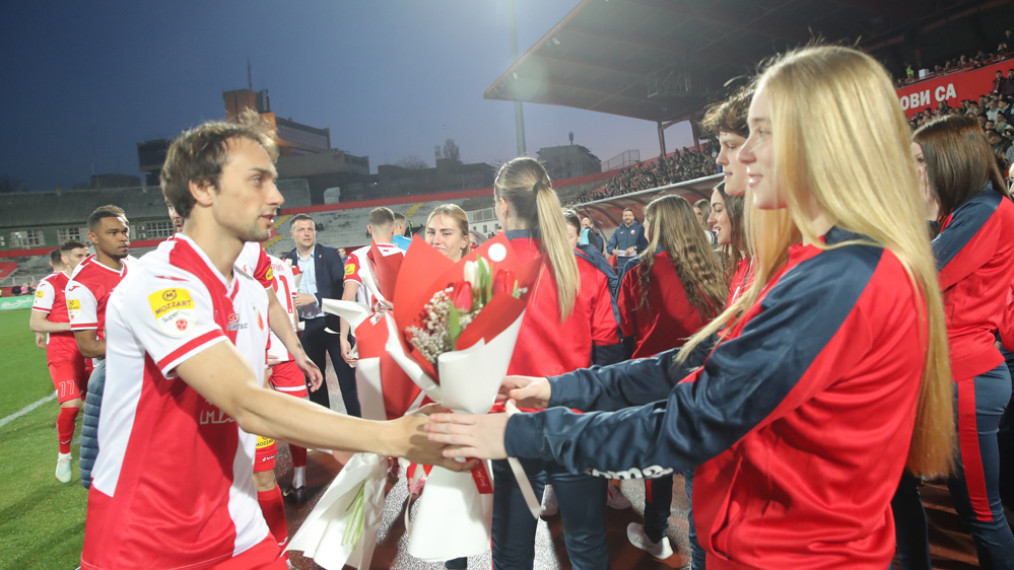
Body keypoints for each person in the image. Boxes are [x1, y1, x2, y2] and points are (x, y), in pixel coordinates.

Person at [427, 45, 956, 569]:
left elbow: (688, 424)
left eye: (762, 133)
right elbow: (692, 362)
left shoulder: (839, 278)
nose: (741, 155)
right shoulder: (827, 265)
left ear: (823, 141)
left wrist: (518, 433)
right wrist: (557, 388)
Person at [81, 115, 464, 569]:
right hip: (145, 540)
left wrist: (299, 355)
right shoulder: (159, 283)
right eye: (257, 180)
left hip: (237, 526)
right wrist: (390, 436)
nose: (277, 197)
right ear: (202, 188)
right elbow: (246, 402)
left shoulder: (248, 291)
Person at [486, 157, 622, 570]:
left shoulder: (479, 267)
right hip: (575, 424)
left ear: (503, 205)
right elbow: (609, 355)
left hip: (509, 426)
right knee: (587, 547)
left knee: (511, 552)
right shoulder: (586, 267)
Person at [895, 115, 1014, 570]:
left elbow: (915, 278)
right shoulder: (970, 211)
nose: (914, 171)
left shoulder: (985, 211)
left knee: (981, 514)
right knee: (904, 489)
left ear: (948, 161)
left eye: (920, 160)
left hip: (966, 377)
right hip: (951, 375)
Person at [615, 194, 726, 559]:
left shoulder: (637, 270)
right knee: (698, 474)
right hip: (700, 382)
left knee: (657, 464)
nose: (643, 227)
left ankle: (656, 534)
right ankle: (702, 552)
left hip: (653, 380)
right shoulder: (709, 267)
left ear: (657, 225)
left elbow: (625, 331)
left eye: (648, 221)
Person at [68, 204, 131, 489]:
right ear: (93, 238)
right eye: (113, 232)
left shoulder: (137, 268)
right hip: (114, 379)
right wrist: (140, 344)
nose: (122, 237)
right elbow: (88, 346)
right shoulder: (82, 283)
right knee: (114, 466)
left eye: (125, 231)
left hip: (151, 373)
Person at [29, 240, 89, 483]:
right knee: (71, 406)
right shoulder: (50, 284)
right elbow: (36, 322)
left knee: (100, 406)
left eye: (86, 255)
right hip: (62, 353)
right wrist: (72, 325)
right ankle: (64, 455)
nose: (85, 259)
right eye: (79, 255)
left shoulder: (89, 281)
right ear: (65, 259)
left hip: (90, 351)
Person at [282, 214, 355, 414]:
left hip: (333, 324)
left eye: (310, 229)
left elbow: (340, 288)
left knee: (348, 380)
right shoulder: (286, 261)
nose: (307, 233)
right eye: (301, 229)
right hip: (307, 329)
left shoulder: (330, 254)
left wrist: (314, 298)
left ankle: (359, 423)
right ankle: (323, 424)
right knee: (314, 381)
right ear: (292, 234)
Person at [337, 207, 403, 373]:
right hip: (401, 333)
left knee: (373, 383)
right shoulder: (406, 254)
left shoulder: (356, 257)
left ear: (369, 229)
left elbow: (348, 297)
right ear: (393, 228)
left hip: (370, 335)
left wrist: (343, 336)